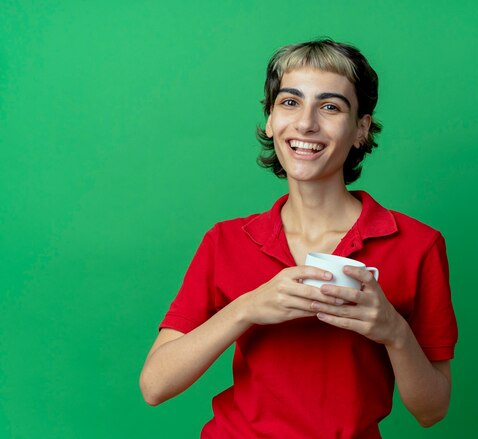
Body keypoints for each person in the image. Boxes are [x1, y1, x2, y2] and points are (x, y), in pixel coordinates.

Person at [140, 38, 458, 438]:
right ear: (270, 119)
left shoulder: (417, 245)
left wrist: (394, 331)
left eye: (330, 106)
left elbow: (432, 410)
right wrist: (247, 308)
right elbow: (154, 386)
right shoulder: (226, 241)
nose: (306, 123)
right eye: (290, 102)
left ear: (361, 128)